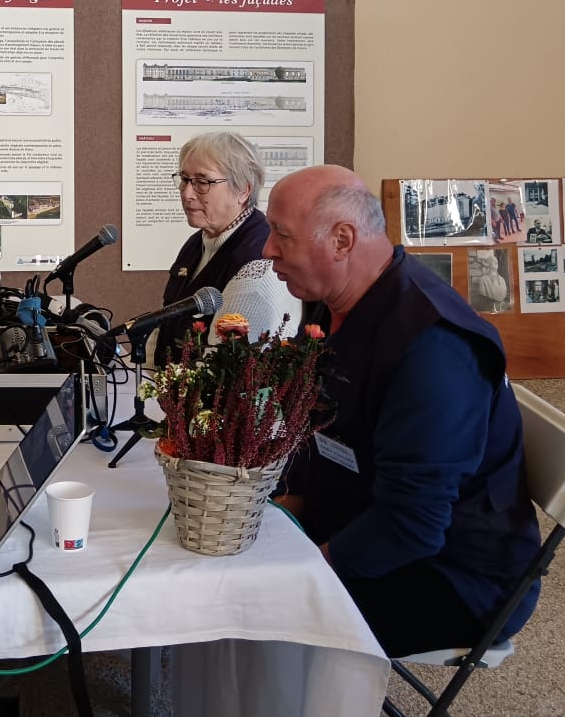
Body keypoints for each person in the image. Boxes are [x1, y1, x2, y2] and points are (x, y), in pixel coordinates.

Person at [263, 165, 540, 658]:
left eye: (282, 235)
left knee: (248, 606)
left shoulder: (433, 348)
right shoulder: (335, 304)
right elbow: (320, 428)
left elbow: (413, 524)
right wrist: (285, 510)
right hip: (359, 514)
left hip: (452, 577)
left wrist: (298, 574)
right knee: (222, 556)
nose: (268, 250)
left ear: (342, 240)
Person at [154, 132, 298, 360]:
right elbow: (166, 323)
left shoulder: (258, 259)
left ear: (243, 190)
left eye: (202, 182)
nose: (187, 193)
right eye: (184, 179)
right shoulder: (197, 242)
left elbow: (226, 364)